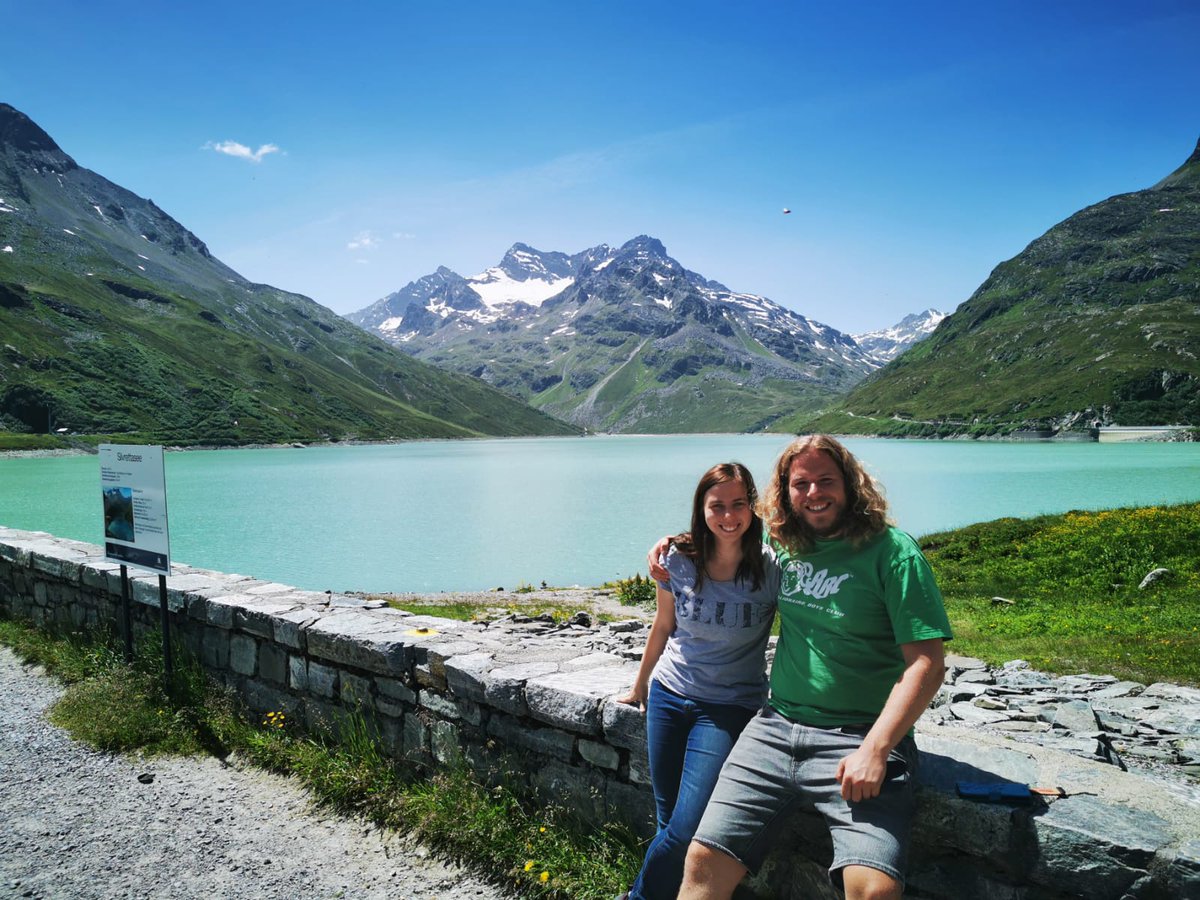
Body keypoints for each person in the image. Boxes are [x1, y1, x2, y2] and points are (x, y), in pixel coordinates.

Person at [647, 435, 952, 900]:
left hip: (858, 735)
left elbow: (927, 664)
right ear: (786, 492)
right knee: (702, 860)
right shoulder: (785, 541)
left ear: (850, 483)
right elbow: (728, 529)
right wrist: (672, 543)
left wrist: (876, 749)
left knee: (873, 890)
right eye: (800, 484)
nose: (813, 493)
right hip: (774, 726)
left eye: (825, 481)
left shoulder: (893, 553)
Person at [617, 462, 780, 900]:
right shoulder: (678, 559)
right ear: (701, 509)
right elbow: (663, 625)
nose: (728, 516)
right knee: (669, 820)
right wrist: (640, 686)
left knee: (688, 828)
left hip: (728, 708)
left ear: (753, 506)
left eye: (738, 504)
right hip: (669, 695)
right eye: (717, 506)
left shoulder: (771, 568)